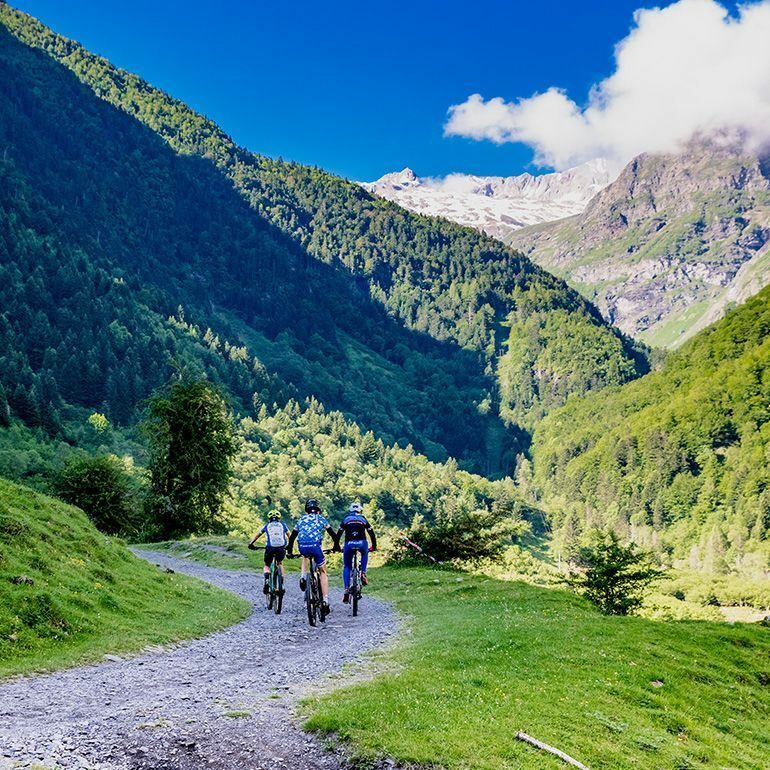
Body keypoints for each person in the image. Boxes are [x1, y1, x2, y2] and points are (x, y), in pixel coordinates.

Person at [287, 498, 337, 617]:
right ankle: (325, 600)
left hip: (302, 546)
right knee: (323, 571)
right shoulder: (321, 519)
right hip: (316, 547)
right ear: (318, 511)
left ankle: (303, 576)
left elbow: (293, 536)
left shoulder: (301, 519)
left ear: (306, 511)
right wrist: (336, 546)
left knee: (305, 555)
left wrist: (289, 550)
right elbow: (333, 534)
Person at [335, 501, 377, 604]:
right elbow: (371, 533)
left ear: (350, 511)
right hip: (362, 543)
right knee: (364, 553)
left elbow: (338, 535)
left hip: (348, 544)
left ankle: (346, 590)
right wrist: (374, 546)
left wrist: (336, 546)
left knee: (346, 566)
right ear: (360, 510)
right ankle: (363, 573)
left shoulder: (346, 519)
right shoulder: (363, 519)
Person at [248, 509, 289, 595]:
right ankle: (282, 585)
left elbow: (258, 534)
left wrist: (251, 543)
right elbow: (290, 535)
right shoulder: (283, 525)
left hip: (270, 548)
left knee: (267, 565)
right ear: (279, 518)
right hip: (281, 548)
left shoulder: (267, 526)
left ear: (269, 518)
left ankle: (267, 579)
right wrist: (290, 545)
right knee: (279, 563)